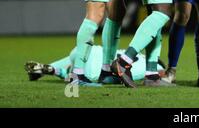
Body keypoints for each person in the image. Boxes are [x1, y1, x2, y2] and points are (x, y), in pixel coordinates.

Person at [24, 48, 166, 82]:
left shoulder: (129, 52)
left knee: (74, 59)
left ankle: (49, 68)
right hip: (95, 70)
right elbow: (162, 74)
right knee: (84, 77)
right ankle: (57, 72)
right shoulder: (153, 69)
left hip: (85, 49)